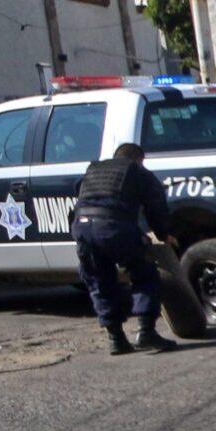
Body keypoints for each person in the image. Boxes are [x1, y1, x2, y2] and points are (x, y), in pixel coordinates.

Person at [70, 142, 179, 354]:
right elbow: (155, 204)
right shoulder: (137, 171)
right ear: (138, 159)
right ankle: (146, 331)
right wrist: (163, 234)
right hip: (113, 227)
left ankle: (116, 339)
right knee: (144, 273)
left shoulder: (93, 170)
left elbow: (78, 192)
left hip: (82, 228)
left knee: (100, 282)